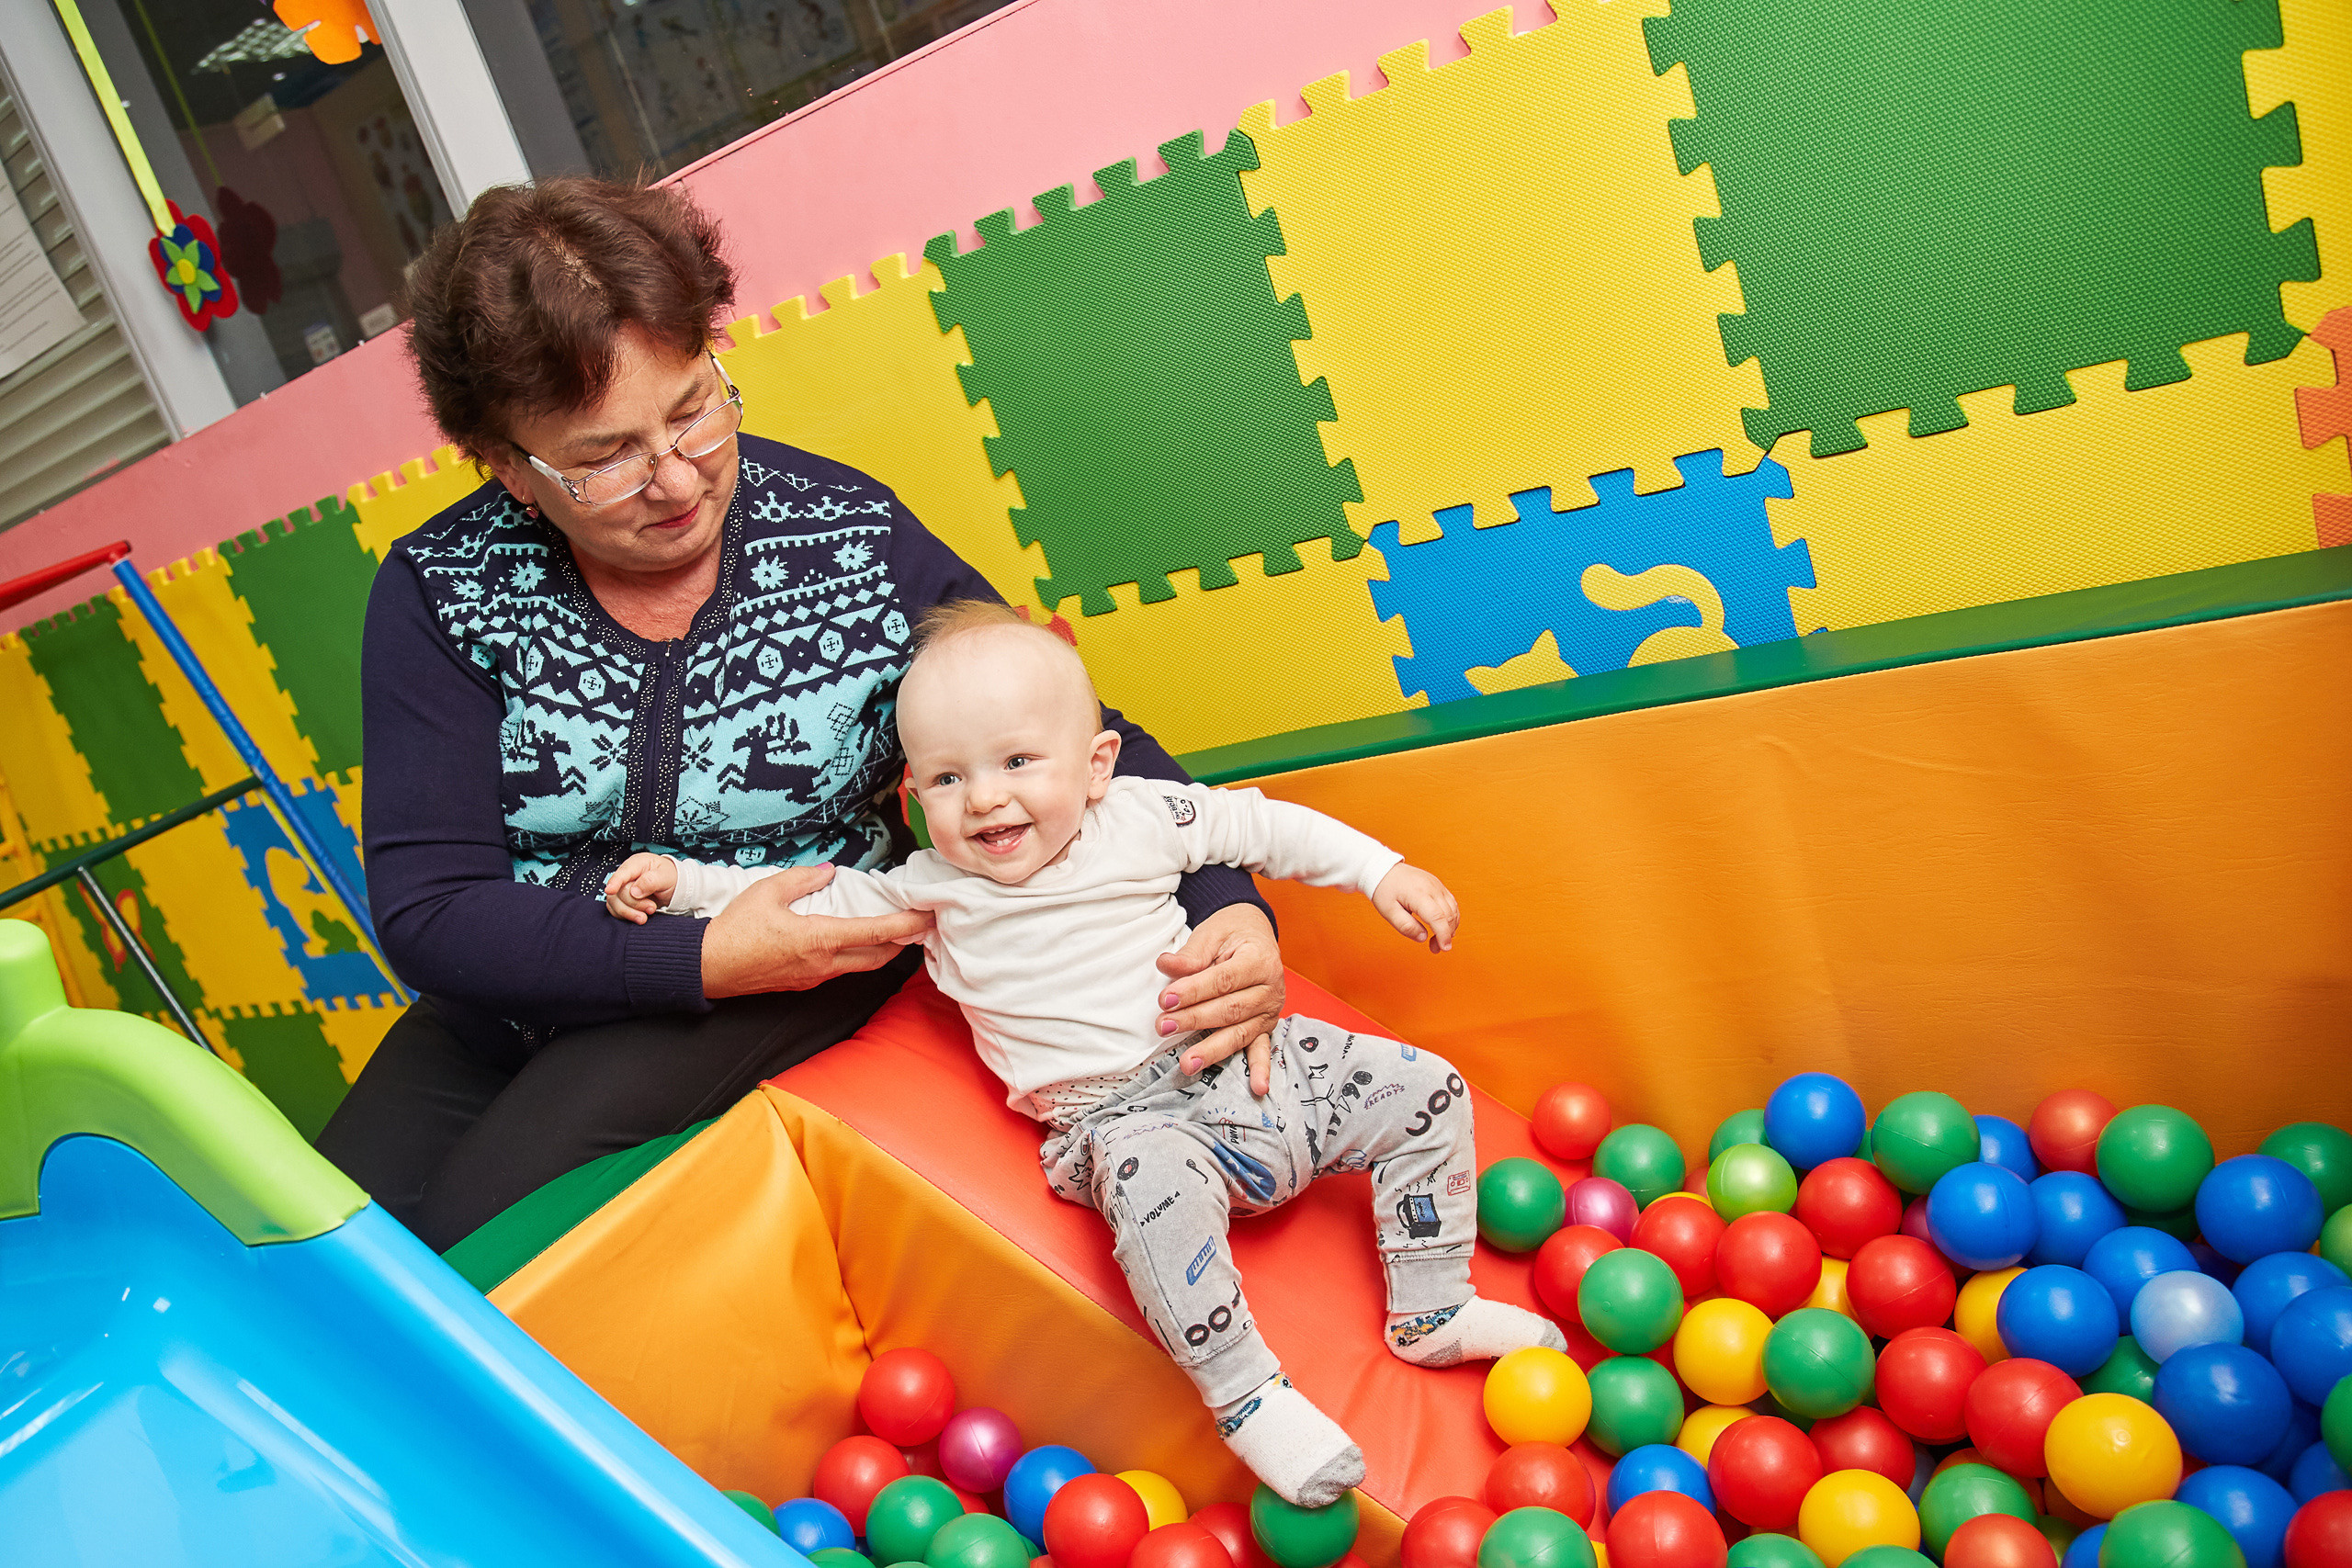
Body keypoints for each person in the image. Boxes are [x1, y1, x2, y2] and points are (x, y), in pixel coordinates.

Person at [318, 178, 1288, 1253]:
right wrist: (689, 954)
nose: (677, 478)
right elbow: (434, 910)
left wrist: (1224, 904)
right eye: (604, 457)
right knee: (313, 1255)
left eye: (693, 407)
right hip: (509, 994)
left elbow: (1078, 731)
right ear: (508, 468)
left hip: (791, 962)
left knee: (472, 1239)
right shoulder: (441, 590)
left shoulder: (845, 535)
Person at [603, 601, 1565, 1506]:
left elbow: (1266, 826)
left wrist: (1379, 870)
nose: (984, 799)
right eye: (946, 778)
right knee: (1155, 1201)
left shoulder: (1146, 816)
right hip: (1120, 1120)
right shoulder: (932, 890)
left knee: (1426, 1086)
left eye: (1019, 761)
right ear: (914, 795)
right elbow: (802, 896)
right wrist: (686, 883)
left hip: (1249, 1060)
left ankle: (1432, 1304)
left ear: (1097, 763)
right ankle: (1247, 1396)